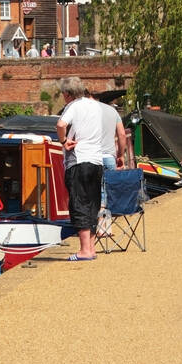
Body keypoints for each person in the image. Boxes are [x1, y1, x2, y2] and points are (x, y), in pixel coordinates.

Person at [57, 75, 105, 260]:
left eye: (63, 93)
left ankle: (85, 250)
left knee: (79, 203)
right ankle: (91, 248)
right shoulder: (95, 105)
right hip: (96, 160)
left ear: (68, 94)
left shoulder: (73, 106)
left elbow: (61, 124)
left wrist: (63, 141)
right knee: (92, 203)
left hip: (79, 159)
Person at [99, 97, 127, 209]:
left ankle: (98, 223)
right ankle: (107, 223)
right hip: (109, 157)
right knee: (110, 195)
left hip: (92, 157)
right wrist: (120, 155)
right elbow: (122, 135)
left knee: (94, 194)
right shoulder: (113, 112)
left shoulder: (89, 110)